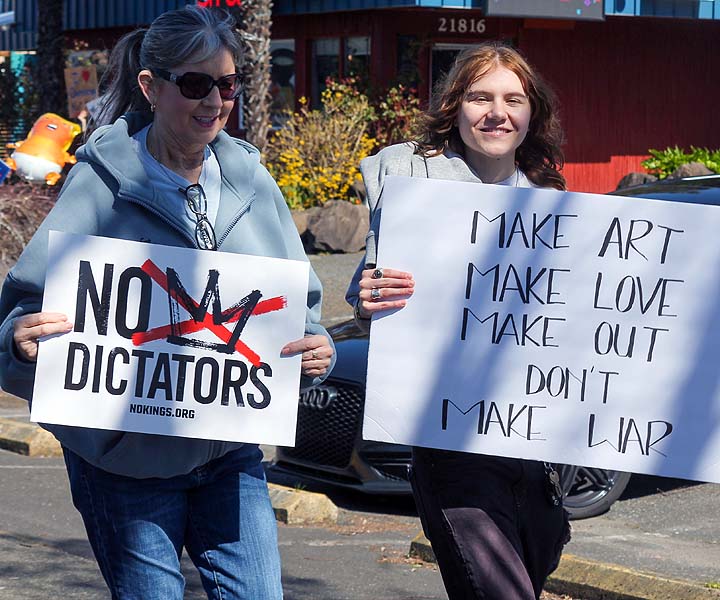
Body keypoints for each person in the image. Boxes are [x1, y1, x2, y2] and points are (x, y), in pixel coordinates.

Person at [0, 7, 334, 599]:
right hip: (123, 464)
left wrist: (316, 349)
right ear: (151, 87)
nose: (215, 101)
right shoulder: (100, 182)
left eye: (227, 84)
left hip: (228, 455)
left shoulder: (253, 182)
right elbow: (24, 309)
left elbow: (298, 307)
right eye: (197, 84)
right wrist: (20, 339)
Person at [346, 43, 571, 600]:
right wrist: (368, 298)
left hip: (533, 449)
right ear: (455, 106)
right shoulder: (413, 189)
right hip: (453, 444)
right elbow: (367, 291)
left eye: (513, 99)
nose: (497, 113)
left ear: (532, 112)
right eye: (479, 97)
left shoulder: (552, 201)